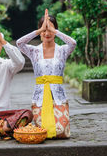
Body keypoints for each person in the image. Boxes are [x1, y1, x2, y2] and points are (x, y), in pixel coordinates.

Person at [16, 9, 76, 139]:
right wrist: (39, 30)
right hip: (40, 94)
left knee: (61, 132)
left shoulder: (63, 50)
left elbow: (73, 43)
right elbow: (19, 43)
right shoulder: (34, 51)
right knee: (42, 132)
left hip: (58, 94)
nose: (47, 33)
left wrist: (54, 30)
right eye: (44, 30)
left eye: (50, 30)